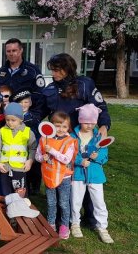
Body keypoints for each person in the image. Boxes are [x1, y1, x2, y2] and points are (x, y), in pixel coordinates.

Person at [41, 53, 112, 227]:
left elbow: (101, 107)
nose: (53, 74)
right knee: (64, 179)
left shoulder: (85, 84)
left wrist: (104, 126)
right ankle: (62, 216)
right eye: (52, 70)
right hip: (61, 143)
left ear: (67, 69)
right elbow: (38, 113)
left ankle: (90, 216)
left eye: (56, 70)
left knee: (85, 176)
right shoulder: (49, 90)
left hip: (82, 139)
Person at [70, 104, 114, 243]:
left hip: (95, 174)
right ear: (80, 120)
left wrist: (97, 157)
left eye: (92, 122)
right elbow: (70, 153)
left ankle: (102, 227)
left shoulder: (99, 136)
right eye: (85, 122)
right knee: (75, 200)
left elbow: (104, 156)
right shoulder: (72, 136)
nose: (89, 125)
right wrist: (79, 161)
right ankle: (75, 224)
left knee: (99, 202)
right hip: (78, 174)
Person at [35, 112, 77, 239]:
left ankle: (64, 226)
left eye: (64, 127)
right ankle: (51, 224)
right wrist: (43, 157)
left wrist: (52, 151)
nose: (61, 129)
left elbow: (66, 159)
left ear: (68, 127)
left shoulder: (69, 141)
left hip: (64, 178)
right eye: (57, 126)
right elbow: (37, 157)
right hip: (49, 177)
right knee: (51, 203)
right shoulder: (44, 139)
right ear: (51, 125)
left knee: (64, 203)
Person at [0, 38, 45, 116]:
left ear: (21, 50)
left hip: (24, 116)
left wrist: (33, 115)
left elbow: (39, 95)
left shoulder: (33, 71)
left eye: (14, 50)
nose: (11, 54)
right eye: (8, 51)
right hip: (3, 116)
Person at [0, 103, 36, 197]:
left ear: (21, 119)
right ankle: (7, 209)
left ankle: (20, 209)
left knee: (20, 193)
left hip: (20, 168)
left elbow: (33, 148)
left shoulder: (27, 132)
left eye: (13, 120)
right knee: (6, 193)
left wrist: (30, 161)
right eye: (7, 120)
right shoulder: (2, 131)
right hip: (4, 168)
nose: (10, 122)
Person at [12, 89, 41, 195]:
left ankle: (34, 188)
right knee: (20, 174)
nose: (23, 105)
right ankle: (23, 189)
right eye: (20, 102)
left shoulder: (34, 119)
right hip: (17, 151)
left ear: (30, 103)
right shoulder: (12, 118)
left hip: (31, 150)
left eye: (26, 102)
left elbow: (38, 136)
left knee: (33, 171)